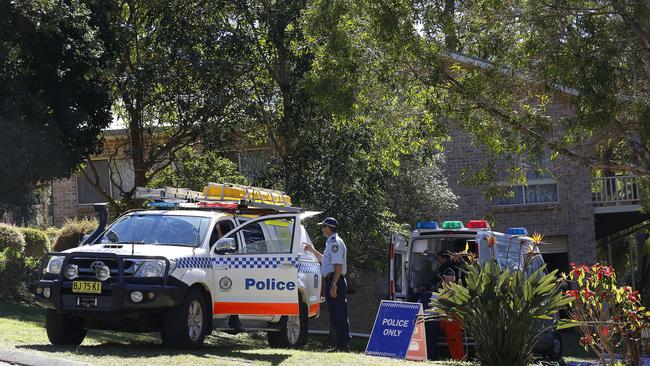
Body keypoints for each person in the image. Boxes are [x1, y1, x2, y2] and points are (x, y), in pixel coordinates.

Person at [303, 217, 351, 352]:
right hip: (332, 280)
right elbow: (325, 261)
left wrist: (334, 284)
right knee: (336, 313)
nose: (322, 229)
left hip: (335, 281)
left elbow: (338, 265)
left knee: (339, 313)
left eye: (323, 226)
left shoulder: (335, 243)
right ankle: (340, 344)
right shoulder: (330, 242)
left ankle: (343, 345)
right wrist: (312, 251)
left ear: (328, 228)